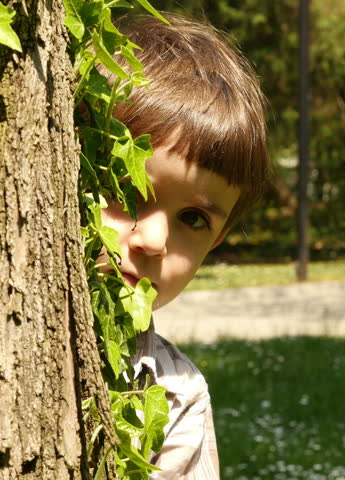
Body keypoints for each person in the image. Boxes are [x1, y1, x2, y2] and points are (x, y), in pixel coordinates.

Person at [100, 13, 270, 479]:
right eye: (125, 188)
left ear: (214, 240)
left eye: (191, 219)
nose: (153, 240)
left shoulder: (178, 394)